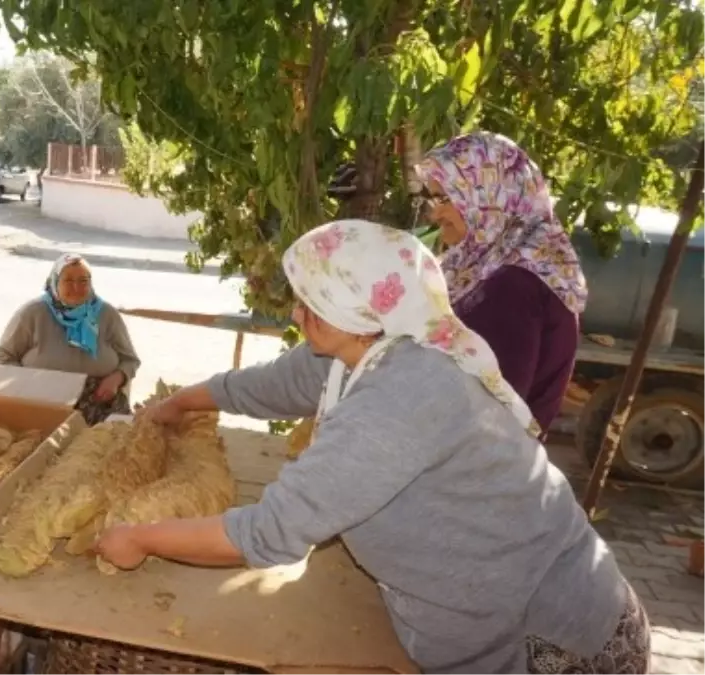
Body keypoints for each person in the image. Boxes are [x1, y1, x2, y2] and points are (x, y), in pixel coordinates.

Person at [96, 219, 646, 674]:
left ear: (358, 312)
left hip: (553, 637)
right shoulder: (371, 346)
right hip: (481, 614)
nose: (294, 313)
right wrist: (180, 404)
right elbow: (275, 384)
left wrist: (139, 539)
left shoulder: (406, 392)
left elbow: (271, 533)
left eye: (309, 302)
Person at [415, 132, 587, 434]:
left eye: (446, 198)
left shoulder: (513, 284)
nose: (435, 212)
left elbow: (490, 407)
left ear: (489, 195)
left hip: (473, 466)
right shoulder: (494, 266)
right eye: (433, 198)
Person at [0, 253, 141, 424]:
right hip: (44, 404)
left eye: (83, 281)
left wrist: (116, 379)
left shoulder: (106, 314)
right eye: (68, 281)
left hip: (101, 403)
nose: (76, 288)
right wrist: (33, 385)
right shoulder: (32, 313)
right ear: (55, 282)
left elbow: (130, 360)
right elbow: (2, 359)